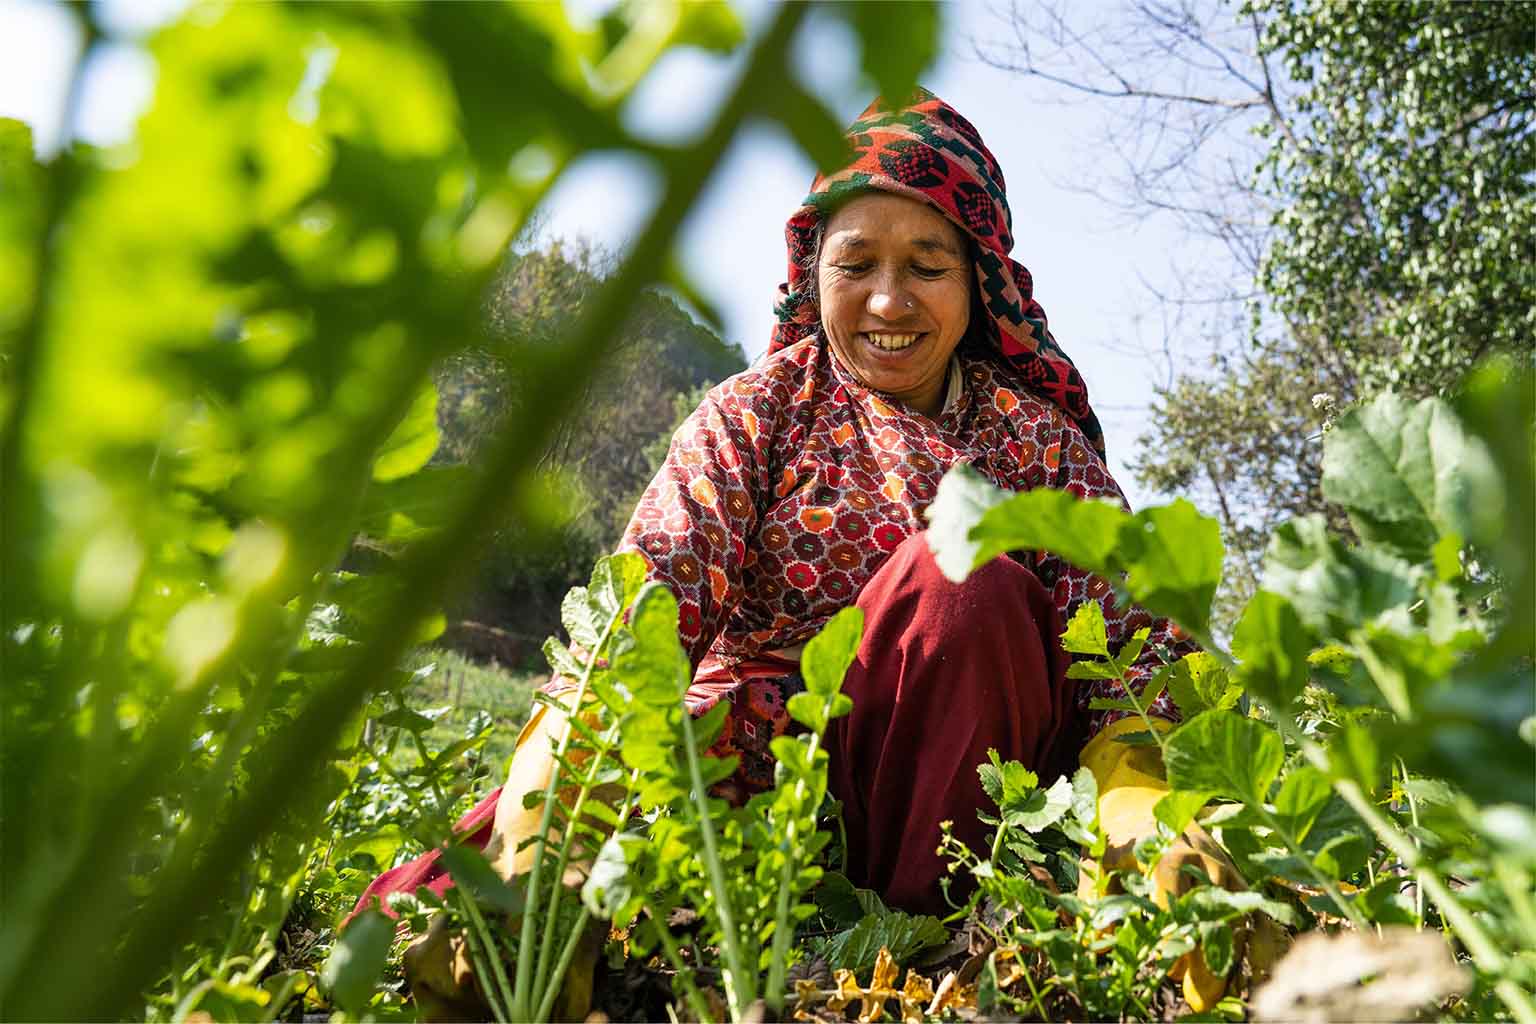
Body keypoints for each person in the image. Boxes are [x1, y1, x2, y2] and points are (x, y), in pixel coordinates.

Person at [364, 88, 1241, 1016]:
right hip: (762, 810)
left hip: (966, 812)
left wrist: (1157, 830)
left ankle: (928, 941)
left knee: (962, 579)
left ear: (978, 279)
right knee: (472, 917)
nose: (889, 300)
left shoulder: (1038, 448)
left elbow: (1137, 673)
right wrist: (543, 853)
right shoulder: (757, 415)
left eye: (927, 266)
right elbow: (633, 627)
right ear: (811, 271)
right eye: (855, 263)